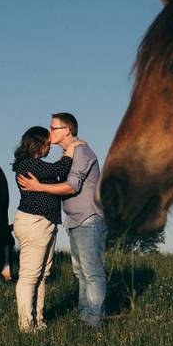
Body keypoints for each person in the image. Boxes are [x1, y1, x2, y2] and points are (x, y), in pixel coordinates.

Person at [18, 112, 107, 328]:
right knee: (81, 272)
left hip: (88, 218)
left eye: (53, 128)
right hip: (75, 220)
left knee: (91, 271)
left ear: (66, 130)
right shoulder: (67, 154)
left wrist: (39, 187)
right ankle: (86, 317)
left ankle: (95, 320)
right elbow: (59, 174)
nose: (49, 133)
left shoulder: (82, 152)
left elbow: (71, 186)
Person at [11, 126, 80, 332]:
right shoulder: (28, 165)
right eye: (48, 144)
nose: (50, 147)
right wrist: (71, 148)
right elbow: (59, 169)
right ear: (37, 144)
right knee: (30, 276)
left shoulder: (34, 165)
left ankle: (38, 320)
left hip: (44, 224)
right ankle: (25, 325)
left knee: (42, 275)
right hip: (35, 224)